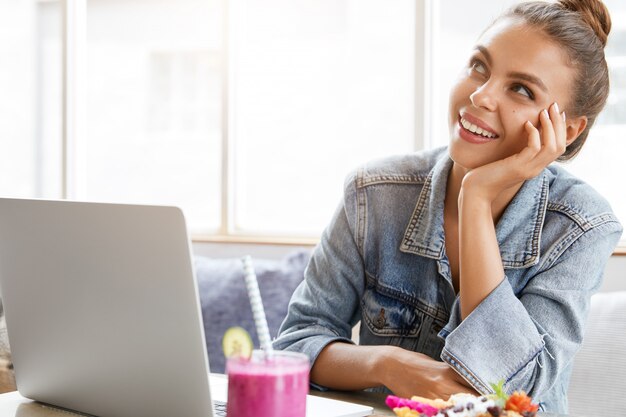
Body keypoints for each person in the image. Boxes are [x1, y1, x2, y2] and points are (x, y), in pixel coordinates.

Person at [273, 0, 623, 414]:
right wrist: (390, 364)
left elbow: (507, 385)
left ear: (566, 128)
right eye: (480, 66)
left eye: (521, 89)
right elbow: (294, 345)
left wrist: (475, 198)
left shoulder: (581, 226)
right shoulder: (374, 195)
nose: (481, 94)